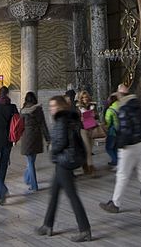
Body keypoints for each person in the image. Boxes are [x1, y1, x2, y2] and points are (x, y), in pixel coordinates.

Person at [37, 95, 91, 242]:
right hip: (67, 159)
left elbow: (60, 143)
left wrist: (52, 149)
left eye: (53, 106)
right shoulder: (70, 118)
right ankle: (48, 225)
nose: (51, 109)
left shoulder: (61, 120)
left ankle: (84, 229)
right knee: (54, 193)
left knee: (72, 196)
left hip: (64, 161)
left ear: (60, 107)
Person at [100, 84, 141, 216]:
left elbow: (125, 129)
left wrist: (120, 145)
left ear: (121, 95)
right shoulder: (136, 106)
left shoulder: (125, 108)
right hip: (138, 144)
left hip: (128, 146)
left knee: (122, 175)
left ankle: (115, 203)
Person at [21, 91, 50, 193]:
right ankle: (27, 179)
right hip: (37, 136)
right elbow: (43, 124)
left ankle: (34, 185)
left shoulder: (23, 111)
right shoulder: (38, 110)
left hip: (27, 136)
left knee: (30, 161)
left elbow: (20, 125)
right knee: (31, 160)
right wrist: (47, 138)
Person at [77, 90, 98, 175]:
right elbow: (75, 119)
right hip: (83, 130)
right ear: (80, 99)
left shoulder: (93, 106)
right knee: (88, 150)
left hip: (92, 129)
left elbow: (97, 116)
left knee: (89, 149)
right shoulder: (78, 107)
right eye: (83, 97)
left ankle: (85, 165)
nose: (85, 99)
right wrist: (80, 119)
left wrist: (94, 115)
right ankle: (91, 168)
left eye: (86, 97)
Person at [104, 93, 120, 167]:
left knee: (108, 148)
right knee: (116, 147)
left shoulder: (110, 110)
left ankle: (115, 160)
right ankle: (117, 160)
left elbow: (108, 122)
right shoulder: (121, 107)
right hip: (121, 131)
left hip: (113, 132)